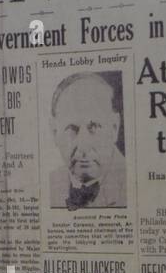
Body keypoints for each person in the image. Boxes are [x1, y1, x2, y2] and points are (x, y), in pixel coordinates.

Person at [49, 72, 127, 209]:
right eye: (72, 129)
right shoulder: (49, 185)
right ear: (55, 133)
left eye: (94, 127)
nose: (83, 146)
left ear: (114, 128)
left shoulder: (132, 183)